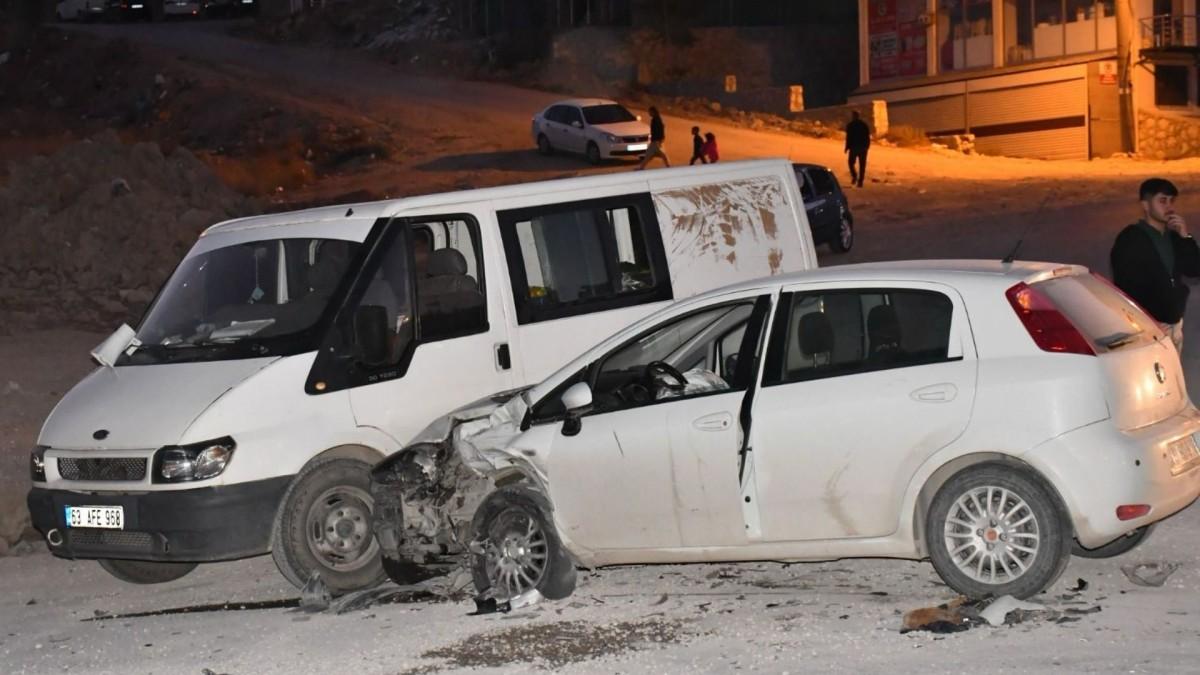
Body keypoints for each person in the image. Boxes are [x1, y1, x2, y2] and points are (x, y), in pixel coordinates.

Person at [1111, 178, 1200, 352]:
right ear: (1145, 205)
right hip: (1150, 326)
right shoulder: (1130, 239)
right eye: (1162, 201)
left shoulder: (1174, 238)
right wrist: (1145, 322)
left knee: (1174, 377)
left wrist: (1185, 237)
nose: (1169, 206)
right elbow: (1126, 285)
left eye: (1171, 201)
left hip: (1174, 323)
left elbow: (1194, 268)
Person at [844, 111, 871, 188]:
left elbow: (848, 138)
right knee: (862, 166)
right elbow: (867, 137)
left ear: (853, 116)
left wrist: (847, 147)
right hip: (862, 147)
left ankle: (855, 176)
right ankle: (860, 182)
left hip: (854, 147)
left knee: (851, 163)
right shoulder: (864, 125)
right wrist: (867, 146)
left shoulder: (850, 125)